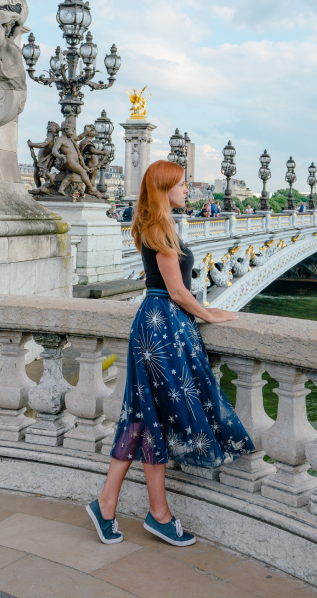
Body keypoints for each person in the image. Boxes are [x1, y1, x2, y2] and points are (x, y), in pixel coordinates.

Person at [86, 160, 254, 547]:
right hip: (161, 326)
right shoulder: (159, 226)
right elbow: (177, 291)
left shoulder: (160, 224)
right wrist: (210, 312)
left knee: (144, 417)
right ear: (164, 188)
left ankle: (113, 505)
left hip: (161, 325)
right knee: (149, 417)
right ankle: (152, 513)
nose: (187, 191)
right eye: (181, 185)